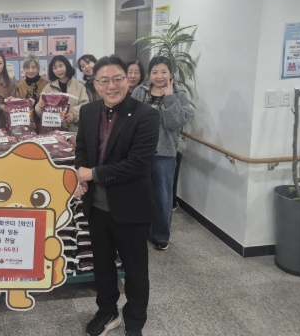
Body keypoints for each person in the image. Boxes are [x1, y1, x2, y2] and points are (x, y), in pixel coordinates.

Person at [74, 55, 160, 336]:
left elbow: (138, 164)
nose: (111, 86)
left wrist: (92, 174)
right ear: (95, 84)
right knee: (102, 266)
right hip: (96, 208)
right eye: (104, 81)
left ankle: (134, 323)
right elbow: (81, 149)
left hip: (131, 207)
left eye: (117, 79)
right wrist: (80, 175)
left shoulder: (146, 115)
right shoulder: (88, 112)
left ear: (128, 80)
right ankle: (107, 311)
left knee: (135, 272)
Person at [132, 56, 193, 250]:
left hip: (164, 154)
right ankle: (139, 231)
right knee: (138, 194)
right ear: (150, 73)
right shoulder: (140, 91)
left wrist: (169, 97)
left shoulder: (179, 93)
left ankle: (160, 236)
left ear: (170, 73)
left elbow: (175, 123)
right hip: (140, 152)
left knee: (162, 197)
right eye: (155, 72)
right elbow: (130, 119)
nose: (159, 76)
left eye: (164, 72)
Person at [35, 55, 89, 133]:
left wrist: (74, 113)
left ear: (67, 66)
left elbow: (86, 105)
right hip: (53, 133)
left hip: (74, 132)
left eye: (61, 66)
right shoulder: (48, 88)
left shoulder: (79, 85)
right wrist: (40, 106)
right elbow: (39, 112)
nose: (58, 70)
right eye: (55, 68)